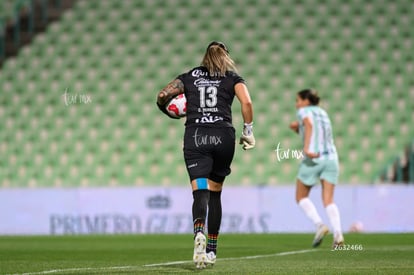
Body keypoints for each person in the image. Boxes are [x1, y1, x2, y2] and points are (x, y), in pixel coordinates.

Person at [156, 41, 255, 269]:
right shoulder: (232, 77)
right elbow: (247, 102)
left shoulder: (190, 76)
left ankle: (198, 232)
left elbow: (163, 94)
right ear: (226, 56)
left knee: (199, 190)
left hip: (196, 135)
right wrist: (248, 132)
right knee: (216, 193)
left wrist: (167, 110)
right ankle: (211, 250)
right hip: (223, 136)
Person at [289, 89, 344, 248]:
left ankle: (320, 225)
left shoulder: (303, 111)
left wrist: (306, 149)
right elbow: (315, 130)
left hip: (313, 158)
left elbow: (308, 123)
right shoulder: (323, 112)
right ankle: (338, 235)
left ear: (306, 101)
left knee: (300, 196)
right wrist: (298, 128)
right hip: (331, 158)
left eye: (298, 100)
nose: (296, 104)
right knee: (328, 200)